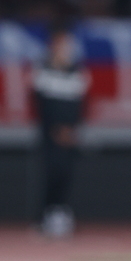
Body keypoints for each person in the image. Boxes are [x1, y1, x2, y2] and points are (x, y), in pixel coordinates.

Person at [33, 24, 90, 238]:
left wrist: (71, 129)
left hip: (69, 134)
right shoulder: (43, 71)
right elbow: (42, 104)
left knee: (67, 173)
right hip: (50, 134)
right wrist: (55, 129)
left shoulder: (77, 73)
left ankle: (62, 212)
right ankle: (47, 215)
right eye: (62, 45)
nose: (66, 49)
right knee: (52, 172)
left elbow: (79, 105)